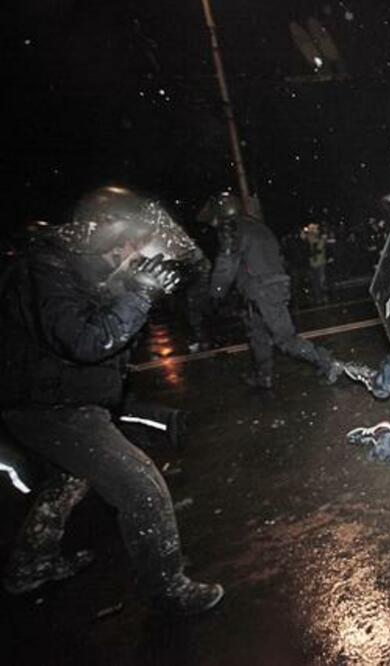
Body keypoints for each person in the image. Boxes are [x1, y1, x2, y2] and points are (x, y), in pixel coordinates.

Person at [0, 186, 223, 614]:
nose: (131, 252)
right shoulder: (45, 269)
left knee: (66, 481)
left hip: (50, 401)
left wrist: (133, 287)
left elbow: (98, 321)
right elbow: (88, 340)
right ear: (105, 236)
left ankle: (30, 567)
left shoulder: (70, 269)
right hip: (49, 408)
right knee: (142, 487)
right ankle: (166, 590)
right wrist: (136, 293)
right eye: (127, 244)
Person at [199, 192, 343, 390]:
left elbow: (226, 264)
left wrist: (215, 293)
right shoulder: (255, 225)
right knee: (257, 334)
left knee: (285, 339)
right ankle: (263, 377)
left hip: (263, 289)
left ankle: (327, 363)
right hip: (264, 288)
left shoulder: (231, 228)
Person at [299, 222, 329, 306]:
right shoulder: (309, 239)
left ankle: (324, 297)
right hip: (312, 264)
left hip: (320, 263)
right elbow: (302, 237)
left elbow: (318, 249)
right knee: (314, 282)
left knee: (321, 281)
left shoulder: (321, 238)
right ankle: (318, 298)